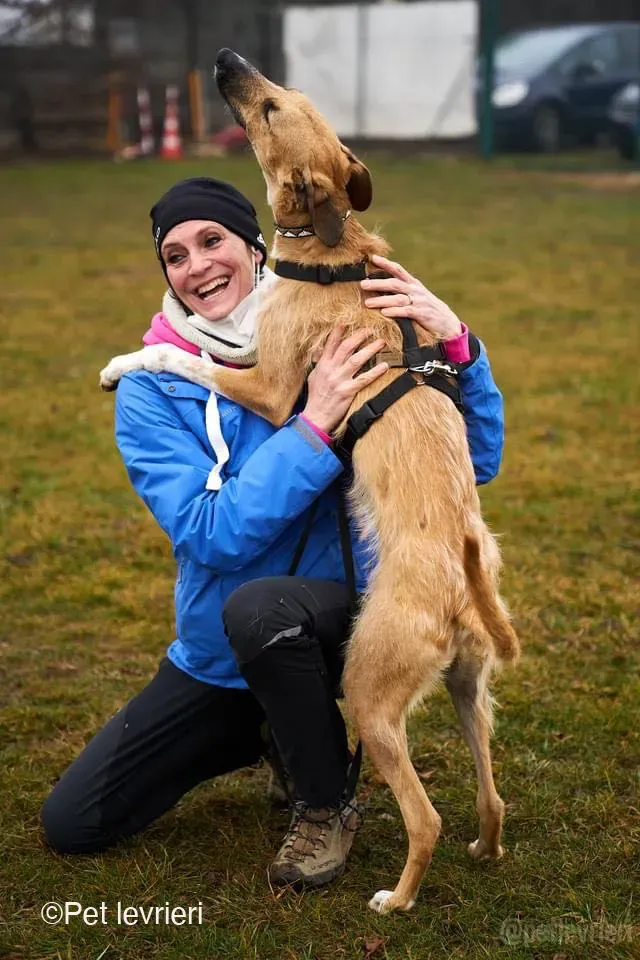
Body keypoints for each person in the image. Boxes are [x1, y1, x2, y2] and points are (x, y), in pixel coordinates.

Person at [41, 177, 504, 890]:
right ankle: (263, 731)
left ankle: (324, 801)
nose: (196, 265)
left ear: (258, 250)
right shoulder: (150, 388)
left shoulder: (342, 334)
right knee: (73, 825)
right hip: (219, 654)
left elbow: (475, 463)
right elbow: (208, 534)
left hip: (341, 617)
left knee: (265, 613)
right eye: (175, 255)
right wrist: (313, 429)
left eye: (212, 241)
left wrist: (458, 347)